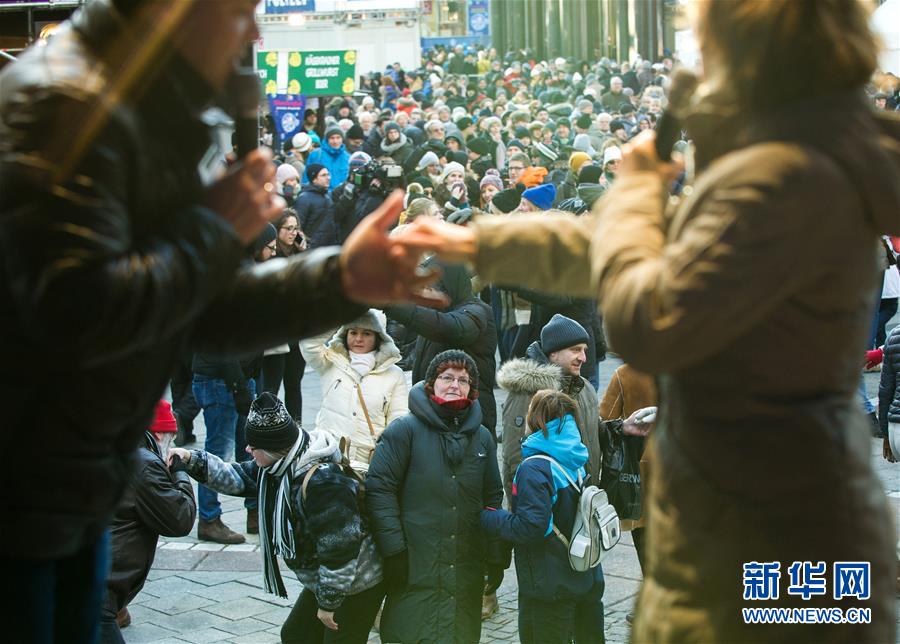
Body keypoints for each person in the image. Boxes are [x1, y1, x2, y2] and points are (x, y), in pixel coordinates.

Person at [396, 2, 900, 641]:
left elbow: (646, 314)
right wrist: (480, 245)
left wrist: (637, 184)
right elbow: (606, 247)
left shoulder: (793, 177)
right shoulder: (794, 154)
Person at [0, 1, 441, 639]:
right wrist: (212, 230)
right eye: (237, 11)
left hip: (69, 483)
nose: (253, 32)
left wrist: (338, 280)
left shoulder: (135, 105)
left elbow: (195, 310)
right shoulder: (63, 105)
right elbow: (79, 314)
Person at [170, 393, 384, 643]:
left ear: (274, 447)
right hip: (327, 579)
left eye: (254, 446)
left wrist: (328, 604)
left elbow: (340, 552)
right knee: (296, 636)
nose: (248, 450)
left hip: (357, 582)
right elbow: (236, 476)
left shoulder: (325, 484)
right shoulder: (277, 467)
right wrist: (189, 458)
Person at [366, 350, 506, 644]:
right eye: (446, 377)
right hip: (414, 565)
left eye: (463, 380)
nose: (455, 384)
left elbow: (492, 495)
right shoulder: (404, 431)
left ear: (472, 389)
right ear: (431, 383)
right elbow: (380, 490)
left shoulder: (481, 438)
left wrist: (496, 553)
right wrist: (394, 551)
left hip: (464, 569)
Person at [481, 390, 593, 644]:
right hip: (575, 573)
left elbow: (531, 528)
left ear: (537, 418)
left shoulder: (534, 467)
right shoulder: (575, 453)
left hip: (547, 580)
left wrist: (490, 517)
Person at [100, 400, 196, 642]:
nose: (171, 445)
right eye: (171, 438)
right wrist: (179, 472)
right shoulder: (144, 463)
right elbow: (180, 519)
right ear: (160, 433)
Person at [299, 309, 408, 464]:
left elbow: (398, 419)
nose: (358, 339)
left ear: (378, 337)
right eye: (353, 332)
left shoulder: (394, 374)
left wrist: (386, 454)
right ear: (345, 333)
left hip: (369, 459)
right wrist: (341, 314)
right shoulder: (330, 361)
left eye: (366, 333)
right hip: (328, 454)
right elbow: (309, 343)